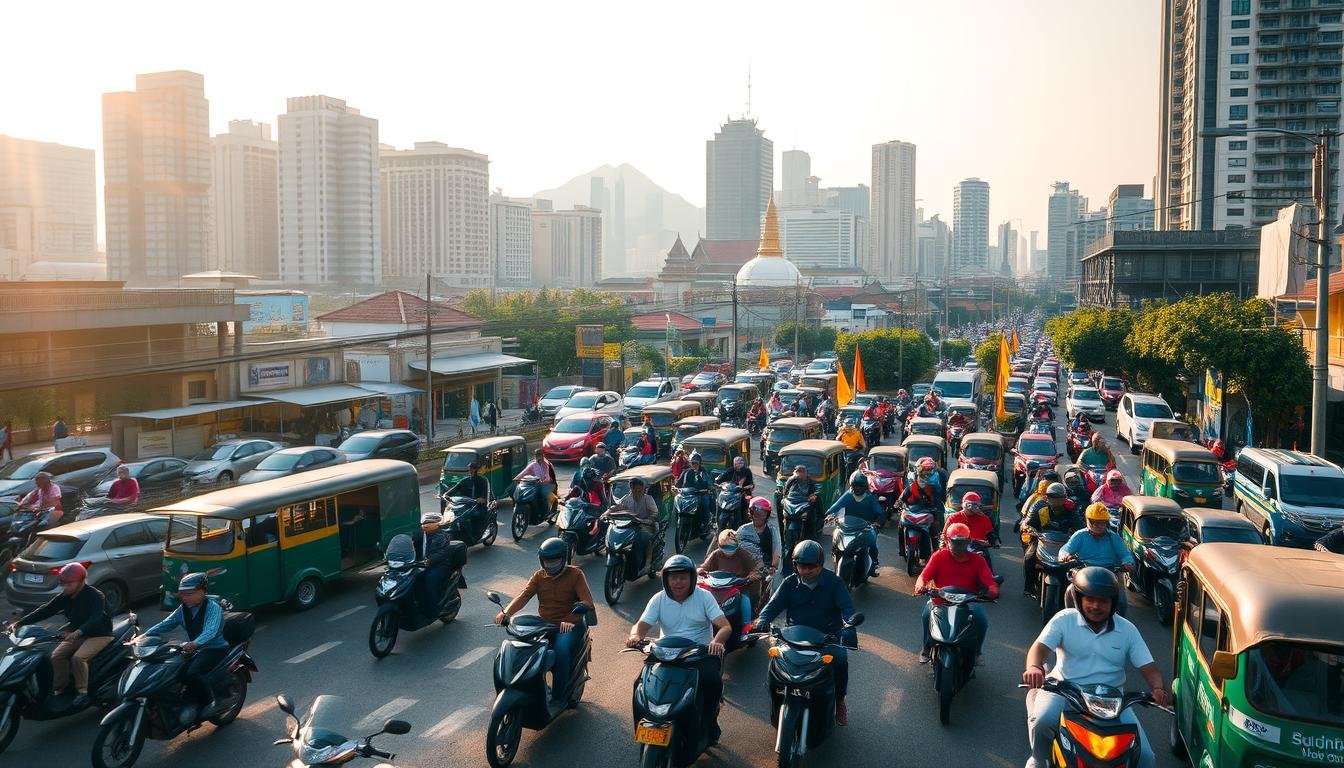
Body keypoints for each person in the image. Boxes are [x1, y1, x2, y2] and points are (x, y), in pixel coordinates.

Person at [1021, 567, 1168, 768]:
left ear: (1113, 602)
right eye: (1090, 599)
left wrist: (1158, 689)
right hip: (1064, 689)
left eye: (1103, 601)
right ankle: (1038, 760)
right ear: (1078, 598)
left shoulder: (1127, 630)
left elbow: (1149, 669)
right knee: (1042, 720)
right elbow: (1038, 649)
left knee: (1146, 758)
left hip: (1112, 700)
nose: (1096, 606)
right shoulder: (1064, 619)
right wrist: (1034, 667)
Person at [626, 555, 732, 744]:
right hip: (665, 655)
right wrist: (635, 636)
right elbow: (641, 625)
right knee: (639, 684)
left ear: (692, 578)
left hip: (699, 655)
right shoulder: (659, 599)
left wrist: (716, 642)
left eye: (683, 577)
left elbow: (725, 626)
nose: (678, 582)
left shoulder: (704, 597)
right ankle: (643, 727)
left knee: (713, 684)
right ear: (666, 579)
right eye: (673, 578)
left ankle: (709, 724)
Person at [754, 540, 859, 726]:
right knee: (775, 661)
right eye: (802, 566)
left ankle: (840, 699)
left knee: (841, 659)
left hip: (827, 638)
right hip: (793, 637)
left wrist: (849, 626)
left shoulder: (835, 583)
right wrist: (762, 620)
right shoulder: (789, 583)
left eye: (812, 566)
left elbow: (848, 610)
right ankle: (776, 699)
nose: (807, 571)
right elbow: (772, 607)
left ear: (820, 564)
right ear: (795, 565)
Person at [496, 538, 595, 701]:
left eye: (554, 561)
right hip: (545, 625)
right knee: (526, 649)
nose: (550, 565)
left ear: (564, 559)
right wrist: (506, 613)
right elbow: (523, 596)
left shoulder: (576, 574)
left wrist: (571, 618)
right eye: (546, 561)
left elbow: (587, 602)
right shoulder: (539, 576)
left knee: (561, 650)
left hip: (570, 625)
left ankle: (559, 695)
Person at [8, 563, 112, 707]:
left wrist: (78, 632)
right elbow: (46, 610)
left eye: (69, 584)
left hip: (99, 634)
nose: (65, 588)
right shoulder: (65, 596)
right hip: (77, 634)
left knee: (78, 658)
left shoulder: (96, 596)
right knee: (57, 656)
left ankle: (82, 692)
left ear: (81, 581)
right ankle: (60, 688)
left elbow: (96, 618)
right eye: (64, 584)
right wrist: (20, 623)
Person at [143, 573, 230, 718]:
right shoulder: (183, 609)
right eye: (183, 594)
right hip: (193, 648)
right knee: (171, 670)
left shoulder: (213, 608)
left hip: (214, 648)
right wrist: (145, 635)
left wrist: (196, 643)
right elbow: (166, 624)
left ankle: (210, 701)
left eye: (190, 594)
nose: (185, 598)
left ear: (203, 592)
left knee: (191, 673)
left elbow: (211, 631)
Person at [914, 522, 998, 663]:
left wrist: (992, 590)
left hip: (969, 601)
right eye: (954, 542)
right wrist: (920, 586)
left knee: (982, 619)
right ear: (947, 541)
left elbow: (990, 582)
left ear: (968, 542)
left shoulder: (978, 560)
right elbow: (924, 576)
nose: (957, 546)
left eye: (961, 543)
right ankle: (927, 646)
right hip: (940, 598)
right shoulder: (938, 556)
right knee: (926, 615)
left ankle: (977, 651)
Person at [699, 529, 763, 623]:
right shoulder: (716, 554)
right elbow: (704, 568)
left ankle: (746, 627)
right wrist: (700, 572)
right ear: (720, 546)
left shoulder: (743, 554)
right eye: (725, 547)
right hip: (719, 588)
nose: (729, 550)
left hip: (739, 587)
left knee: (745, 601)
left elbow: (754, 570)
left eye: (732, 547)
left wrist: (751, 576)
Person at [826, 472, 883, 577]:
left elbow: (879, 512)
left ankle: (874, 564)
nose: (857, 488)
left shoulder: (870, 497)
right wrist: (830, 514)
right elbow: (836, 507)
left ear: (865, 486)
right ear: (852, 486)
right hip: (848, 527)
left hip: (866, 528)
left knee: (873, 544)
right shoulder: (848, 495)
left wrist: (877, 523)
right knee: (836, 538)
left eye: (860, 486)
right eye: (855, 486)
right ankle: (836, 556)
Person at [606, 476, 660, 576]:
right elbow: (617, 507)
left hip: (647, 525)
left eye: (640, 490)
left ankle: (647, 565)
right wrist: (607, 512)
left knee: (644, 539)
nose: (638, 492)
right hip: (631, 526)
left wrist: (647, 520)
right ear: (631, 488)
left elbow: (655, 514)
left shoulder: (648, 499)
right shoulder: (627, 498)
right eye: (635, 489)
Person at [413, 511, 457, 609]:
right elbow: (411, 546)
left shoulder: (442, 536)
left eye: (427, 523)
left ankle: (433, 608)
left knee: (430, 580)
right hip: (422, 564)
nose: (424, 525)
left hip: (440, 565)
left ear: (436, 525)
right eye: (424, 523)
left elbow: (442, 553)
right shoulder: (421, 535)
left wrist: (430, 560)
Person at [737, 496, 782, 576]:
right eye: (755, 514)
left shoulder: (772, 530)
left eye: (762, 514)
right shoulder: (742, 530)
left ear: (767, 515)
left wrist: (773, 567)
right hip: (745, 569)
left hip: (765, 570)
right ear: (751, 513)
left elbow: (776, 551)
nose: (758, 517)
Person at [675, 452, 714, 534]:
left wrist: (707, 488)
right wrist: (675, 487)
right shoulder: (686, 471)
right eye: (692, 463)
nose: (694, 465)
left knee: (704, 505)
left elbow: (708, 484)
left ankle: (705, 524)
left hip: (701, 494)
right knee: (676, 503)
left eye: (696, 463)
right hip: (687, 495)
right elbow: (679, 483)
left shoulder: (703, 472)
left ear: (699, 463)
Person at [714, 456, 755, 524]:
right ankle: (717, 522)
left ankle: (743, 523)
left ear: (743, 464)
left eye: (740, 464)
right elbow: (721, 478)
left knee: (745, 509)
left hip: (742, 494)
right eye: (736, 464)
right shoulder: (731, 470)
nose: (738, 466)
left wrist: (744, 488)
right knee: (719, 504)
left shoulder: (747, 471)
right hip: (730, 495)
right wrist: (717, 483)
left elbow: (751, 485)